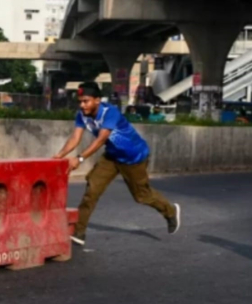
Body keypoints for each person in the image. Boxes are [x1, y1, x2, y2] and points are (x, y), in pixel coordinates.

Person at [53, 82, 181, 243]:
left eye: (86, 101)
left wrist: (79, 158)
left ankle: (170, 211)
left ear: (97, 100)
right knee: (92, 188)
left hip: (134, 157)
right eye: (80, 101)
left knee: (142, 196)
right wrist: (59, 155)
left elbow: (101, 139)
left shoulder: (110, 113)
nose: (82, 105)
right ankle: (79, 232)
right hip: (112, 157)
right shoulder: (82, 115)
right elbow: (75, 138)